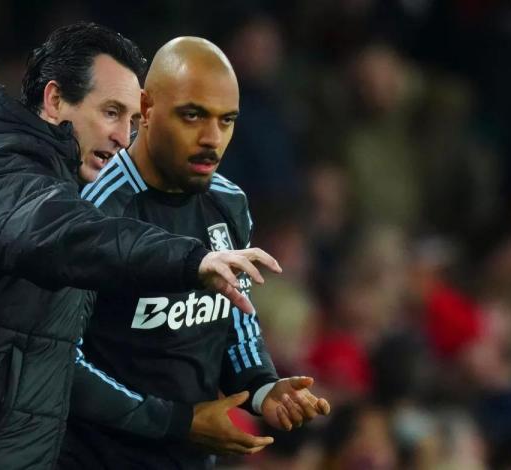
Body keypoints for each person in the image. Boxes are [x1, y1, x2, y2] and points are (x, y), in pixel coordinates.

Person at [0, 23, 281, 470]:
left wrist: (260, 387)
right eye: (110, 112)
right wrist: (192, 259)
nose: (123, 136)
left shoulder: (51, 182)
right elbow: (70, 235)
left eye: (132, 120)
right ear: (54, 100)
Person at [59, 37, 330, 470]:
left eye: (227, 120)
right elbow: (61, 362)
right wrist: (177, 422)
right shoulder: (96, 211)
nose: (212, 138)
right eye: (193, 116)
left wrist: (263, 389)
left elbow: (235, 323)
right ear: (146, 108)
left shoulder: (229, 202)